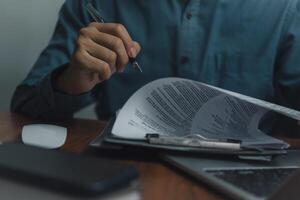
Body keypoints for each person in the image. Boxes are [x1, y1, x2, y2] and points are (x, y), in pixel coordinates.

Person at [11, 0, 300, 134]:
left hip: (248, 177)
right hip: (124, 174)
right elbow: (24, 109)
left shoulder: (284, 8)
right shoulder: (93, 4)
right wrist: (71, 81)